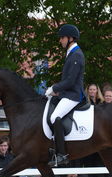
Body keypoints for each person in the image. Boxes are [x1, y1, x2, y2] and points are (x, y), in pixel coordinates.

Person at [45, 24, 85, 167]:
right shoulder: (71, 53)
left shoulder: (76, 55)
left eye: (62, 38)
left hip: (73, 95)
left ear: (70, 38)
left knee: (55, 117)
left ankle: (62, 155)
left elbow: (70, 81)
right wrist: (57, 91)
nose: (60, 40)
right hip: (66, 93)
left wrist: (53, 88)